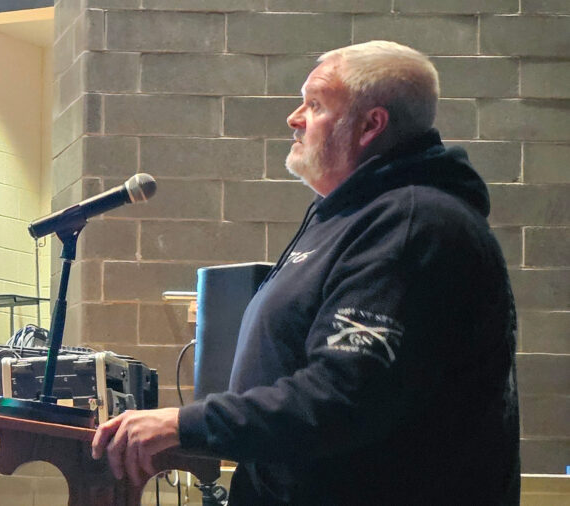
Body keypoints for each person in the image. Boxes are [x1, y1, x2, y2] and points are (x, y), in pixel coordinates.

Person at [92, 41, 520, 505]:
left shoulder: (414, 224)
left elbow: (343, 397)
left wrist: (183, 424)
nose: (295, 118)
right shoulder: (347, 217)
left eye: (315, 104)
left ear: (371, 124)